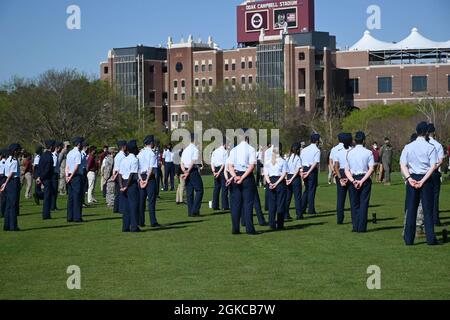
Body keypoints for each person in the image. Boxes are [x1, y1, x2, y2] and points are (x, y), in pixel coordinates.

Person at [400, 122, 439, 246]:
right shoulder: (430, 147)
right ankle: (431, 238)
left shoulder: (408, 147)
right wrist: (422, 181)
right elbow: (433, 166)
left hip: (413, 178)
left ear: (417, 131)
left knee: (411, 209)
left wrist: (409, 178)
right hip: (426, 179)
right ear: (427, 132)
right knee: (427, 210)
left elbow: (403, 164)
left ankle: (408, 239)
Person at [227, 130, 258, 235]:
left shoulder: (233, 150)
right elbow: (251, 166)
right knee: (248, 204)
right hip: (247, 177)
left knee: (235, 204)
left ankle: (235, 229)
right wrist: (243, 177)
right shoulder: (251, 149)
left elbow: (230, 166)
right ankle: (249, 229)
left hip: (236, 176)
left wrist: (235, 177)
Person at [345, 131, 375, 233]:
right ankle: (361, 227)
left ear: (354, 140)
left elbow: (346, 170)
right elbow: (371, 169)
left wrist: (353, 181)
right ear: (364, 141)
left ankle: (355, 226)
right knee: (364, 204)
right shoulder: (368, 152)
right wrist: (362, 181)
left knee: (354, 204)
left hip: (353, 178)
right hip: (364, 178)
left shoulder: (349, 153)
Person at [119, 140, 141, 233]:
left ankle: (125, 226)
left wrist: (121, 186)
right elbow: (132, 174)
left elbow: (120, 174)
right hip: (131, 184)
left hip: (123, 182)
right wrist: (127, 186)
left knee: (126, 206)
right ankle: (134, 226)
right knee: (133, 205)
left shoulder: (124, 159)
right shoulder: (135, 160)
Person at [264, 144, 287, 231]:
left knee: (271, 204)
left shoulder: (268, 161)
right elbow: (284, 174)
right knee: (280, 204)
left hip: (270, 181)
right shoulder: (283, 161)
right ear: (280, 150)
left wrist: (270, 183)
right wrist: (276, 183)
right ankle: (280, 225)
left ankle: (272, 224)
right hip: (280, 182)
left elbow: (266, 174)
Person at [137, 135, 159, 227]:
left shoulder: (140, 153)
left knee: (142, 201)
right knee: (151, 200)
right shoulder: (152, 154)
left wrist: (140, 179)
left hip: (141, 176)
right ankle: (153, 221)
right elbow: (151, 168)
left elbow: (137, 167)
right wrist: (146, 179)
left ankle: (141, 221)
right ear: (151, 143)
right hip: (150, 178)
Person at [180, 133, 204, 217]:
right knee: (200, 190)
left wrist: (185, 171)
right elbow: (193, 162)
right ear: (196, 140)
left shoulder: (185, 150)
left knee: (189, 192)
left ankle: (190, 212)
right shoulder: (195, 149)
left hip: (186, 170)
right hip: (192, 171)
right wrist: (188, 172)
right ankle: (195, 210)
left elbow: (181, 163)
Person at [427, 124, 445, 226]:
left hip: (424, 172)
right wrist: (433, 168)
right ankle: (435, 219)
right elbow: (440, 161)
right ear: (433, 132)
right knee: (435, 196)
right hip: (434, 173)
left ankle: (425, 218)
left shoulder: (424, 143)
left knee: (425, 197)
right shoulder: (437, 145)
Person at [1, 143, 22, 231]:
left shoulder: (7, 160)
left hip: (8, 182)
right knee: (13, 205)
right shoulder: (14, 161)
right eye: (18, 150)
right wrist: (5, 183)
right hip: (13, 182)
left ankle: (6, 225)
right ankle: (13, 226)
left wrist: (5, 183)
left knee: (8, 205)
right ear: (15, 151)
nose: (19, 151)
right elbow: (11, 174)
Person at [333, 133, 353, 225]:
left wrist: (340, 178)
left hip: (340, 173)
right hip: (350, 172)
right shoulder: (352, 151)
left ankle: (339, 219)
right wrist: (349, 178)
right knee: (353, 198)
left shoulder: (338, 151)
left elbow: (335, 167)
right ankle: (355, 217)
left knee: (340, 199)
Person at [300, 133, 321, 215]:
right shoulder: (317, 150)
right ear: (316, 141)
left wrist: (302, 171)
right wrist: (308, 172)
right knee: (312, 190)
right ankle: (311, 209)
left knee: (306, 190)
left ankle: (302, 208)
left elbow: (301, 161)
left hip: (304, 168)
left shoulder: (304, 149)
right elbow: (315, 163)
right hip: (311, 170)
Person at [66, 137, 84, 223]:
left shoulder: (69, 152)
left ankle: (70, 216)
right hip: (76, 176)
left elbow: (67, 166)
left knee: (71, 197)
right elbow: (77, 166)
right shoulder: (77, 153)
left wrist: (67, 176)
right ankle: (77, 217)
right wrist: (72, 176)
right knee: (77, 197)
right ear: (79, 144)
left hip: (69, 175)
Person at [37, 140, 55, 220]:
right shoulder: (49, 156)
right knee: (47, 197)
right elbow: (47, 169)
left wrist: (39, 177)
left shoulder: (43, 155)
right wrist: (41, 177)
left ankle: (46, 214)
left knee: (47, 196)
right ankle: (46, 214)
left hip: (43, 178)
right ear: (51, 147)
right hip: (47, 178)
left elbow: (40, 167)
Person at [210, 138, 230, 211]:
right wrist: (219, 172)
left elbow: (212, 162)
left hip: (215, 170)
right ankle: (225, 205)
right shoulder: (225, 152)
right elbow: (224, 164)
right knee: (224, 188)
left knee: (216, 188)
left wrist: (214, 172)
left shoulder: (214, 151)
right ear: (225, 144)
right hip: (222, 171)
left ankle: (215, 205)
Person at [285, 143, 303, 220]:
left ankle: (286, 214)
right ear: (298, 150)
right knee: (297, 197)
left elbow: (285, 170)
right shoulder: (298, 158)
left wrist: (287, 179)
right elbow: (297, 171)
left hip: (288, 177)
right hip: (295, 178)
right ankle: (299, 215)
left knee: (288, 197)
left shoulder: (287, 158)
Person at [111, 141, 127, 213]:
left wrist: (113, 175)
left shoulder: (117, 155)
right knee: (121, 192)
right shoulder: (123, 156)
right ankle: (121, 208)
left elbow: (114, 166)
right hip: (120, 174)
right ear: (123, 147)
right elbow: (122, 167)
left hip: (116, 173)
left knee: (117, 192)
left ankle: (116, 208)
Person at [51, 142, 62, 211]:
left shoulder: (56, 155)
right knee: (54, 191)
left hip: (55, 174)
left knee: (55, 191)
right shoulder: (54, 156)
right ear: (57, 148)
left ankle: (53, 205)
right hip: (54, 174)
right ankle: (53, 206)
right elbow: (54, 166)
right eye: (60, 148)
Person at [263, 143, 273, 212]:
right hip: (272, 170)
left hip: (267, 170)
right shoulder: (275, 150)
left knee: (267, 189)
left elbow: (264, 162)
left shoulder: (267, 151)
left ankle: (267, 206)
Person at [0, 149, 9, 218]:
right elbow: (3, 173)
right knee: (4, 197)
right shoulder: (4, 162)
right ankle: (3, 212)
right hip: (3, 179)